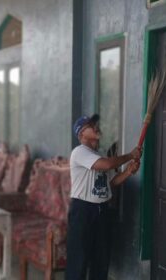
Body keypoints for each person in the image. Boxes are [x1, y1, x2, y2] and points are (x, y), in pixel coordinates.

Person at [65, 114, 142, 280]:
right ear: (81, 134)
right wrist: (130, 155)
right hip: (83, 212)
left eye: (96, 124)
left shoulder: (99, 154)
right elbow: (107, 165)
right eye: (90, 125)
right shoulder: (79, 152)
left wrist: (128, 171)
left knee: (101, 262)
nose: (96, 127)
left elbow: (111, 182)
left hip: (102, 211)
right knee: (78, 263)